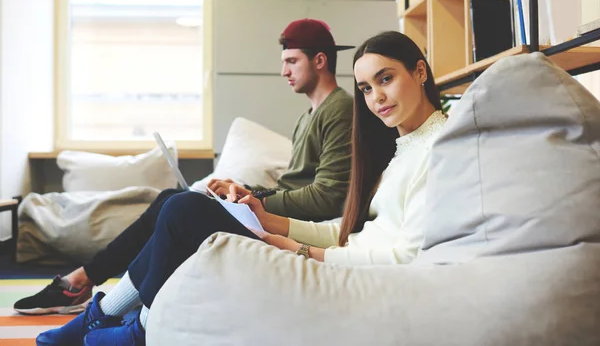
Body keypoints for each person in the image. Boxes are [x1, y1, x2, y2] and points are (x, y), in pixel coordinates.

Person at [36, 30, 448, 346]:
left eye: (385, 80)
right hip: (332, 253)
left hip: (342, 274)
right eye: (367, 88)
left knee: (182, 209)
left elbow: (401, 256)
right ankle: (118, 318)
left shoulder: (438, 149)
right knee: (179, 205)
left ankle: (128, 323)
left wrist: (301, 249)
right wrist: (270, 220)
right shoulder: (401, 149)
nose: (376, 98)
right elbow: (347, 227)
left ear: (419, 70)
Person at [16, 18, 354, 316]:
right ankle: (85, 282)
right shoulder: (308, 115)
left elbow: (327, 197)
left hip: (287, 228)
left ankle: (97, 290)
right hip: (270, 214)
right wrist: (247, 193)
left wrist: (256, 199)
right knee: (170, 198)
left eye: (292, 61)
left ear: (320, 60)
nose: (284, 71)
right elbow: (297, 186)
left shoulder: (340, 109)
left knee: (176, 205)